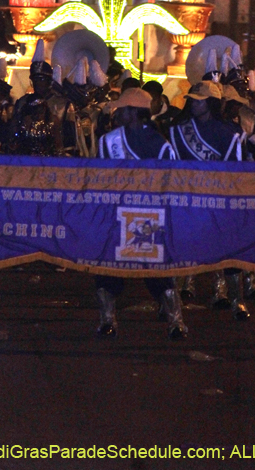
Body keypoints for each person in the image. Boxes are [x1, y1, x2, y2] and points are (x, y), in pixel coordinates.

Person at [96, 88, 187, 340]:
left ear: (132, 113)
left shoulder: (113, 141)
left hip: (130, 216)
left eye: (121, 109)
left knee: (114, 267)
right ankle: (174, 321)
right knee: (154, 268)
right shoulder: (159, 144)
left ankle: (110, 319)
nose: (117, 112)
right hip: (144, 216)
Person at [170, 81, 249, 319]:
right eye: (192, 99)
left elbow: (238, 169)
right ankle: (175, 302)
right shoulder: (179, 129)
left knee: (229, 249)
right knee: (182, 247)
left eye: (199, 99)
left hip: (221, 198)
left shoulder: (231, 132)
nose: (194, 103)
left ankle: (236, 300)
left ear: (212, 102)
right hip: (189, 197)